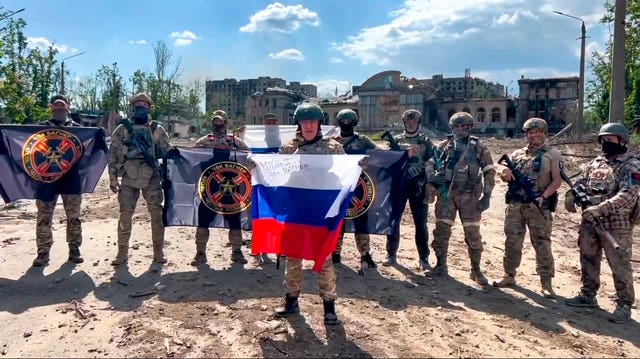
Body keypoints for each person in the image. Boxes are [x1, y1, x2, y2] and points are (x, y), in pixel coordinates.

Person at [273, 102, 345, 325]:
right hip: (295, 210)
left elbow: (345, 173)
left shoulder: (333, 147)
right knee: (292, 256)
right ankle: (291, 300)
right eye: (304, 122)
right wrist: (256, 165)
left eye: (312, 121)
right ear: (298, 124)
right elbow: (275, 172)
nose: (308, 126)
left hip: (321, 211)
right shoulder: (288, 148)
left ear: (319, 123)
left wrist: (358, 164)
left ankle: (329, 305)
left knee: (323, 257)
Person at [565, 122, 640, 324]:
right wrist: (571, 194)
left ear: (622, 141)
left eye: (610, 139)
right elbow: (581, 182)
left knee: (619, 262)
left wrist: (601, 208)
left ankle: (624, 304)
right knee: (588, 255)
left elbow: (629, 194)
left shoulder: (631, 164)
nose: (606, 142)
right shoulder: (597, 162)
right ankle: (588, 294)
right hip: (590, 220)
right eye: (603, 139)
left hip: (617, 222)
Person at [492, 118, 562, 298]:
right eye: (530, 132)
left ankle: (546, 282)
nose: (534, 135)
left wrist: (542, 197)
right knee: (512, 241)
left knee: (542, 243)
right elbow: (504, 175)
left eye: (537, 132)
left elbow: (556, 180)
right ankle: (509, 275)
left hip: (538, 205)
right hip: (516, 205)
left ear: (544, 133)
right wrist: (504, 174)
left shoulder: (552, 154)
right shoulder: (517, 154)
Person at [425, 111, 495, 285]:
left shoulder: (479, 147)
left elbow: (489, 171)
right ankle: (441, 265)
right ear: (452, 127)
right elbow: (430, 164)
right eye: (457, 126)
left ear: (470, 127)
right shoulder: (444, 146)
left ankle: (476, 270)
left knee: (472, 234)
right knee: (441, 232)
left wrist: (486, 196)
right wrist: (433, 177)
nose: (460, 129)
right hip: (446, 195)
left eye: (464, 126)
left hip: (469, 196)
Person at [108, 92, 172, 266]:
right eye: (138, 105)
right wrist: (113, 179)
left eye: (144, 105)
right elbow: (113, 154)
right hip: (128, 176)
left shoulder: (157, 129)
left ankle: (158, 253)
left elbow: (167, 153)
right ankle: (122, 253)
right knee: (125, 215)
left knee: (156, 215)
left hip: (151, 176)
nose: (141, 107)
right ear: (132, 107)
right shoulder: (122, 129)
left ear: (149, 108)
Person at [191, 110, 251, 266]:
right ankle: (200, 253)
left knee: (234, 220)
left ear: (226, 123)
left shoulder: (235, 141)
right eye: (215, 122)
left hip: (232, 188)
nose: (218, 125)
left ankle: (237, 251)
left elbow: (249, 157)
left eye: (221, 122)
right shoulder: (204, 141)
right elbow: (191, 158)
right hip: (209, 188)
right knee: (203, 220)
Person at [32, 94, 84, 267]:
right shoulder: (40, 129)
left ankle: (74, 249)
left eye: (63, 105)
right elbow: (29, 150)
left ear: (68, 107)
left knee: (74, 217)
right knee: (44, 217)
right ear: (51, 108)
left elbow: (86, 152)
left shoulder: (78, 129)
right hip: (46, 179)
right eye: (56, 105)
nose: (60, 108)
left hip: (71, 179)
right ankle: (43, 252)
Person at [331, 109, 383, 273]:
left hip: (360, 188)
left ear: (354, 122)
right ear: (339, 122)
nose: (346, 124)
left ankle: (365, 254)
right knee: (337, 221)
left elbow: (380, 152)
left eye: (349, 121)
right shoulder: (332, 142)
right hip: (337, 187)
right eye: (343, 121)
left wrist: (400, 149)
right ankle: (335, 253)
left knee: (361, 221)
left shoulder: (362, 141)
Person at [383, 109, 434, 270]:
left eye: (414, 121)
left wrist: (423, 169)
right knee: (394, 220)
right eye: (408, 121)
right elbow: (388, 161)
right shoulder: (396, 140)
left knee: (420, 223)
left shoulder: (425, 141)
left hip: (418, 185)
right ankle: (391, 254)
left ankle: (423, 257)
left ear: (418, 123)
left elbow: (433, 160)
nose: (411, 123)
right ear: (404, 122)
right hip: (399, 185)